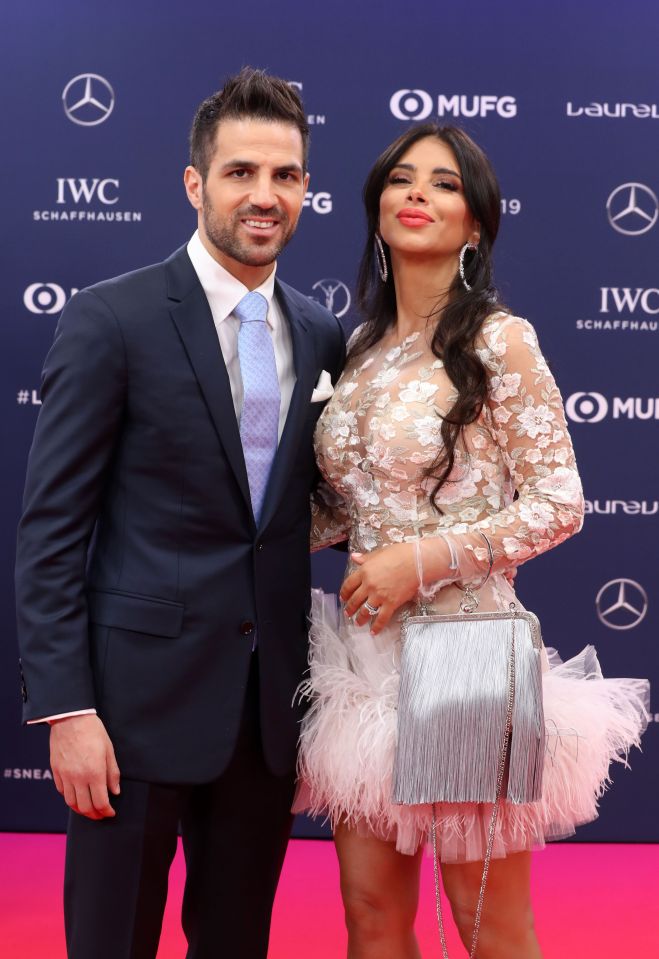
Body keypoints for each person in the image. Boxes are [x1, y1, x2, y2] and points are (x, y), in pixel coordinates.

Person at [295, 124, 649, 959]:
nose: (417, 193)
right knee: (370, 916)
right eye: (402, 178)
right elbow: (348, 507)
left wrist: (419, 558)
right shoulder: (357, 350)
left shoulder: (498, 339)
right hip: (365, 657)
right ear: (376, 203)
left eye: (444, 184)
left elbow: (561, 502)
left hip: (464, 656)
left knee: (482, 920)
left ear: (477, 223)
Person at [15, 67, 345, 959]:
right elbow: (50, 533)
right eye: (241, 172)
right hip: (128, 713)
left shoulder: (320, 334)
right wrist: (65, 708)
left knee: (236, 941)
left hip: (262, 715)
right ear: (196, 183)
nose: (264, 195)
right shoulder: (110, 319)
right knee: (110, 942)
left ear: (306, 189)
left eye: (285, 175)